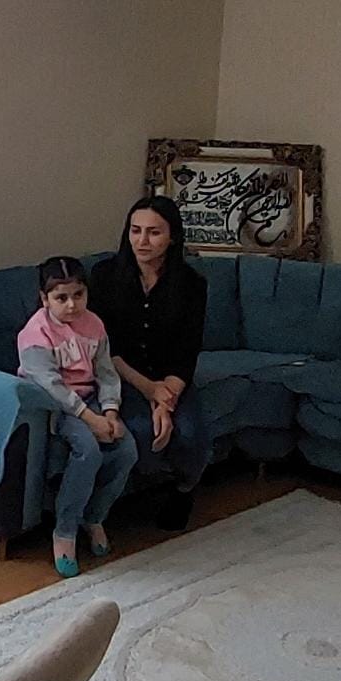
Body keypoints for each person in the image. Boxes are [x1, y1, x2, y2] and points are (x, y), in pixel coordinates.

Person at [90, 197, 209, 532]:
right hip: (123, 374)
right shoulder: (104, 276)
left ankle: (184, 490)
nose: (142, 241)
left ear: (172, 237)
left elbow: (187, 350)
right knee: (144, 433)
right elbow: (106, 347)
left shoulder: (192, 284)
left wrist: (165, 400)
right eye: (135, 230)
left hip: (172, 378)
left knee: (191, 435)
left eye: (154, 233)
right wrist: (149, 390)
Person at [17, 256, 138, 578]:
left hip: (91, 397)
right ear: (45, 299)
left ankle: (94, 516)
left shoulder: (94, 325)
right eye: (61, 298)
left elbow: (106, 372)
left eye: (78, 295)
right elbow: (51, 386)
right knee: (88, 450)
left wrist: (110, 411)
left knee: (127, 449)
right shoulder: (34, 334)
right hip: (56, 405)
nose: (71, 305)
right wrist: (90, 419)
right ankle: (65, 530)